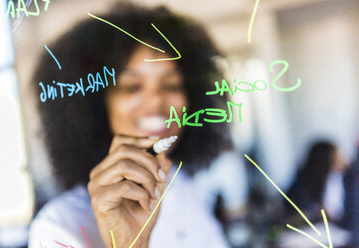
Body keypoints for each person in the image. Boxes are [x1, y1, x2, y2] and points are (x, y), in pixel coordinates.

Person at [28, 2, 243, 248]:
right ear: (95, 106)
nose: (156, 100)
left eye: (171, 85)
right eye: (132, 87)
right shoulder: (58, 226)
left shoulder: (181, 186)